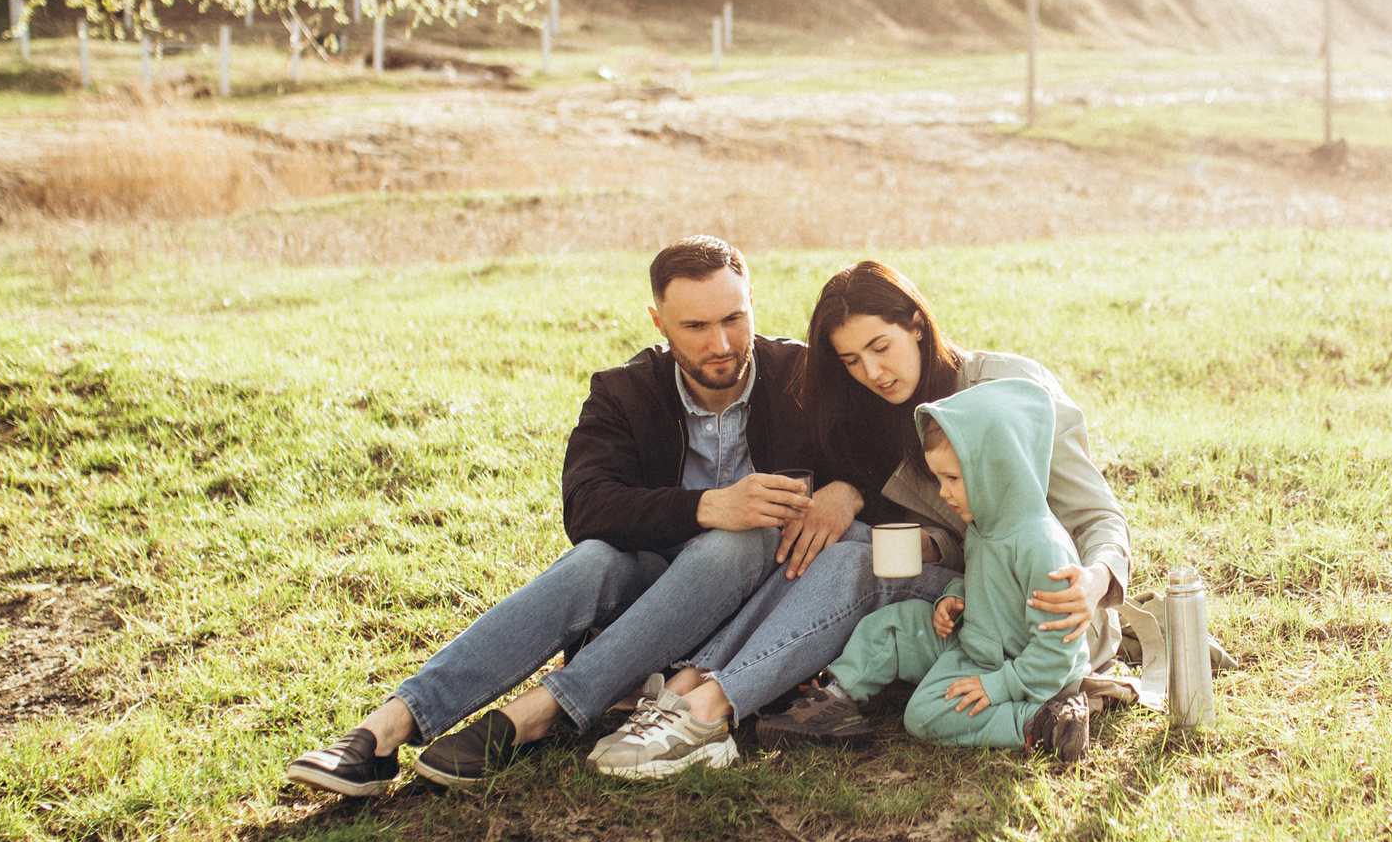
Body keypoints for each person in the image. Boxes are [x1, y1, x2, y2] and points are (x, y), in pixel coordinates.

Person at [282, 236, 872, 795]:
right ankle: (385, 728)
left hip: (754, 597)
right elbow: (587, 507)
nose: (720, 343)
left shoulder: (802, 376)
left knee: (738, 543)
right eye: (695, 326)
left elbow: (885, 441)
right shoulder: (624, 391)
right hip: (651, 586)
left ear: (752, 306)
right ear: (658, 322)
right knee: (595, 559)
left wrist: (848, 488)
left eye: (733, 319)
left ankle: (536, 716)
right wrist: (705, 506)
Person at [626, 259, 1130, 747]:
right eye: (851, 360)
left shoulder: (1007, 391)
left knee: (855, 562)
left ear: (916, 325)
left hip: (1053, 611)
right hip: (971, 596)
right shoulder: (867, 417)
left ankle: (713, 700)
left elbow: (1097, 517)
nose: (872, 371)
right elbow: (958, 537)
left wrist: (1095, 580)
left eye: (880, 346)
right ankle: (704, 680)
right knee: (838, 544)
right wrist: (871, 506)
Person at [820, 380, 1093, 758]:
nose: (943, 492)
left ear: (996, 469)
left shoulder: (1041, 545)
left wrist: (999, 687)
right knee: (897, 623)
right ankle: (836, 696)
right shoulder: (983, 524)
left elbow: (1057, 649)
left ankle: (1043, 723)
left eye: (952, 479)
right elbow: (992, 588)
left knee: (925, 714)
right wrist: (957, 597)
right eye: (939, 479)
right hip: (982, 645)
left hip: (1029, 673)